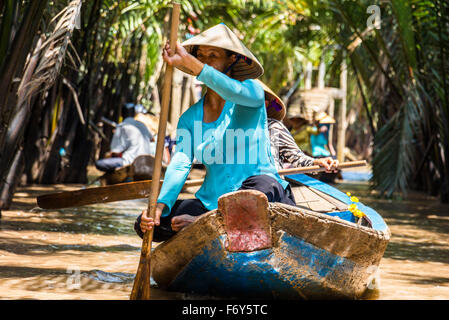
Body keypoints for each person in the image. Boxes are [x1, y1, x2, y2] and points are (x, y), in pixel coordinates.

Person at [135, 23, 296, 241]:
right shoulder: (190, 118)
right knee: (148, 223)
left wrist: (195, 65)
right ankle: (214, 221)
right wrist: (159, 207)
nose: (205, 60)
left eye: (213, 55)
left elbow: (233, 89)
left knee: (260, 188)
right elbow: (181, 163)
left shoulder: (252, 93)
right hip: (213, 202)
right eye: (201, 56)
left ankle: (212, 222)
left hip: (263, 195)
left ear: (231, 61)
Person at [256, 79, 339, 172]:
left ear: (265, 104)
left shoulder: (273, 127)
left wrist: (316, 162)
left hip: (270, 182)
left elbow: (297, 157)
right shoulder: (236, 129)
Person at [95, 103, 153, 172]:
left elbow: (115, 152)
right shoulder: (142, 125)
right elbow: (152, 139)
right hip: (146, 162)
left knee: (99, 163)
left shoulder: (122, 126)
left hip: (129, 162)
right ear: (134, 114)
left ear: (122, 115)